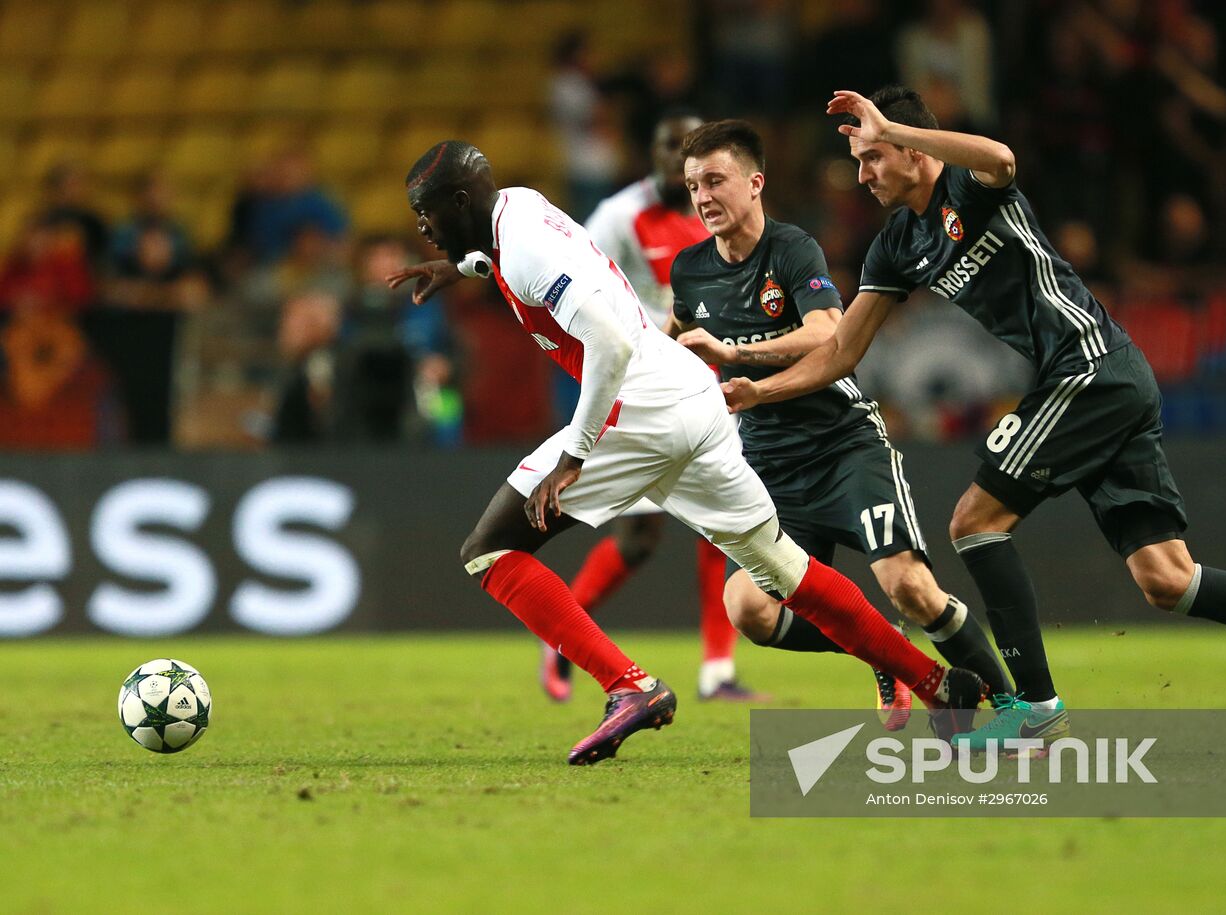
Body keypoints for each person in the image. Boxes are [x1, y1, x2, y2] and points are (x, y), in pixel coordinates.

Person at [723, 86, 1226, 745]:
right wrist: (761, 389)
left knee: (974, 522)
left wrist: (898, 131)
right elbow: (842, 349)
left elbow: (1002, 158)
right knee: (1167, 578)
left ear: (909, 148)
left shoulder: (969, 189)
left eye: (872, 157)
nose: (863, 175)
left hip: (1091, 367)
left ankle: (1036, 709)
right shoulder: (896, 244)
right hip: (1093, 381)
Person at [385, 140, 984, 765]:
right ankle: (939, 684)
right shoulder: (517, 209)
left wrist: (574, 456)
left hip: (639, 406)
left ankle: (630, 688)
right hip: (693, 398)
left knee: (490, 551)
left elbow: (609, 345)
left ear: (458, 201)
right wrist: (460, 269)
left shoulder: (527, 246)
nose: (421, 228)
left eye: (424, 213)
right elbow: (511, 260)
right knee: (784, 573)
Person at [670, 119, 1010, 729]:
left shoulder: (792, 249)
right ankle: (887, 657)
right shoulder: (689, 271)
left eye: (716, 180)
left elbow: (829, 331)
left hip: (842, 447)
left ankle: (1015, 709)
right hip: (768, 466)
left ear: (755, 183)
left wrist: (738, 353)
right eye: (693, 185)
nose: (703, 197)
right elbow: (672, 341)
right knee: (747, 610)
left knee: (909, 587)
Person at [543, 111, 754, 704]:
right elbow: (571, 282)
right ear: (653, 151)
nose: (678, 159)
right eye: (669, 146)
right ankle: (563, 632)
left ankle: (717, 671)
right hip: (642, 386)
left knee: (720, 528)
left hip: (708, 382)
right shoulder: (617, 216)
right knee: (640, 537)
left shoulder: (723, 212)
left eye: (690, 148)